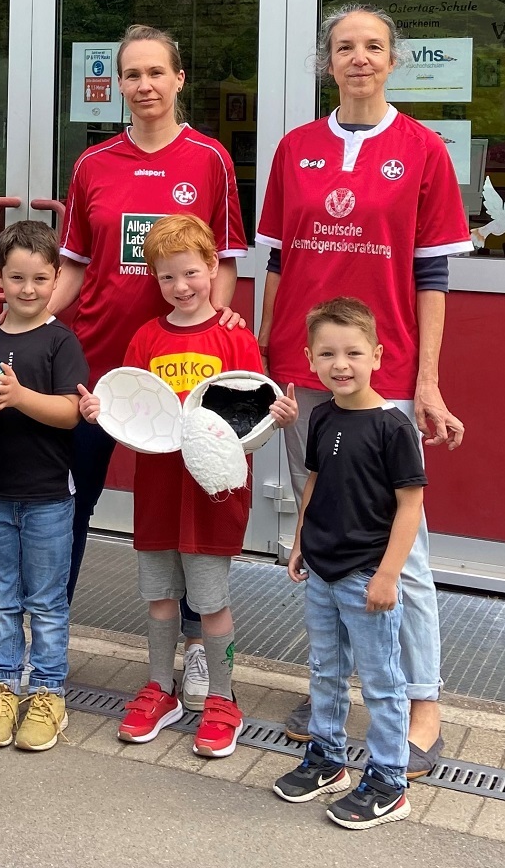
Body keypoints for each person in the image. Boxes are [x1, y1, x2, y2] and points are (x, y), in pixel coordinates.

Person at [255, 4, 469, 775]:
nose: (360, 59)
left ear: (393, 59)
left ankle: (423, 704)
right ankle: (333, 697)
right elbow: (276, 265)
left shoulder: (422, 151)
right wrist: (261, 354)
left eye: (374, 46)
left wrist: (429, 383)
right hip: (301, 374)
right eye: (345, 47)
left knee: (399, 549)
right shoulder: (297, 149)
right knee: (318, 535)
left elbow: (433, 274)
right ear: (328, 61)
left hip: (385, 381)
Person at [51, 24, 247, 712]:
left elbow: (223, 257)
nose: (144, 86)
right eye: (132, 75)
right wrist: (41, 324)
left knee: (188, 515)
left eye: (155, 73)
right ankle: (47, 645)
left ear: (178, 78)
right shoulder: (92, 164)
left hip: (185, 383)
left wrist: (218, 324)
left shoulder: (211, 159)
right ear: (119, 87)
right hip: (101, 372)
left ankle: (197, 653)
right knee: (68, 506)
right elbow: (74, 260)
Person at [76, 214, 295, 758]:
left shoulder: (234, 337)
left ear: (214, 269)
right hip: (157, 492)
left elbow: (252, 415)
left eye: (192, 273)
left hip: (212, 497)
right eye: (168, 277)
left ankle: (222, 698)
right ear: (154, 278)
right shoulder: (146, 337)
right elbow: (132, 410)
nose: (182, 286)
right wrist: (99, 411)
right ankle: (160, 688)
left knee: (211, 601)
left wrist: (279, 417)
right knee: (158, 598)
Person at [275, 297, 425, 831]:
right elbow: (313, 483)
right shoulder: (321, 417)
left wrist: (388, 574)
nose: (341, 364)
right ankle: (328, 758)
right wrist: (299, 542)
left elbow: (411, 504)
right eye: (327, 354)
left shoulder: (392, 427)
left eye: (353, 353)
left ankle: (389, 780)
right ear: (311, 360)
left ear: (378, 356)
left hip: (366, 577)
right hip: (320, 570)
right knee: (326, 669)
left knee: (382, 681)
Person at [0, 219, 87, 753]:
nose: (28, 289)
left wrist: (18, 395)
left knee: (47, 601)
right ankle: (2, 689)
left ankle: (48, 694)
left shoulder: (60, 342)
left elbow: (71, 412)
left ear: (56, 280)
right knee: (1, 597)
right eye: (17, 277)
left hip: (49, 494)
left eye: (40, 278)